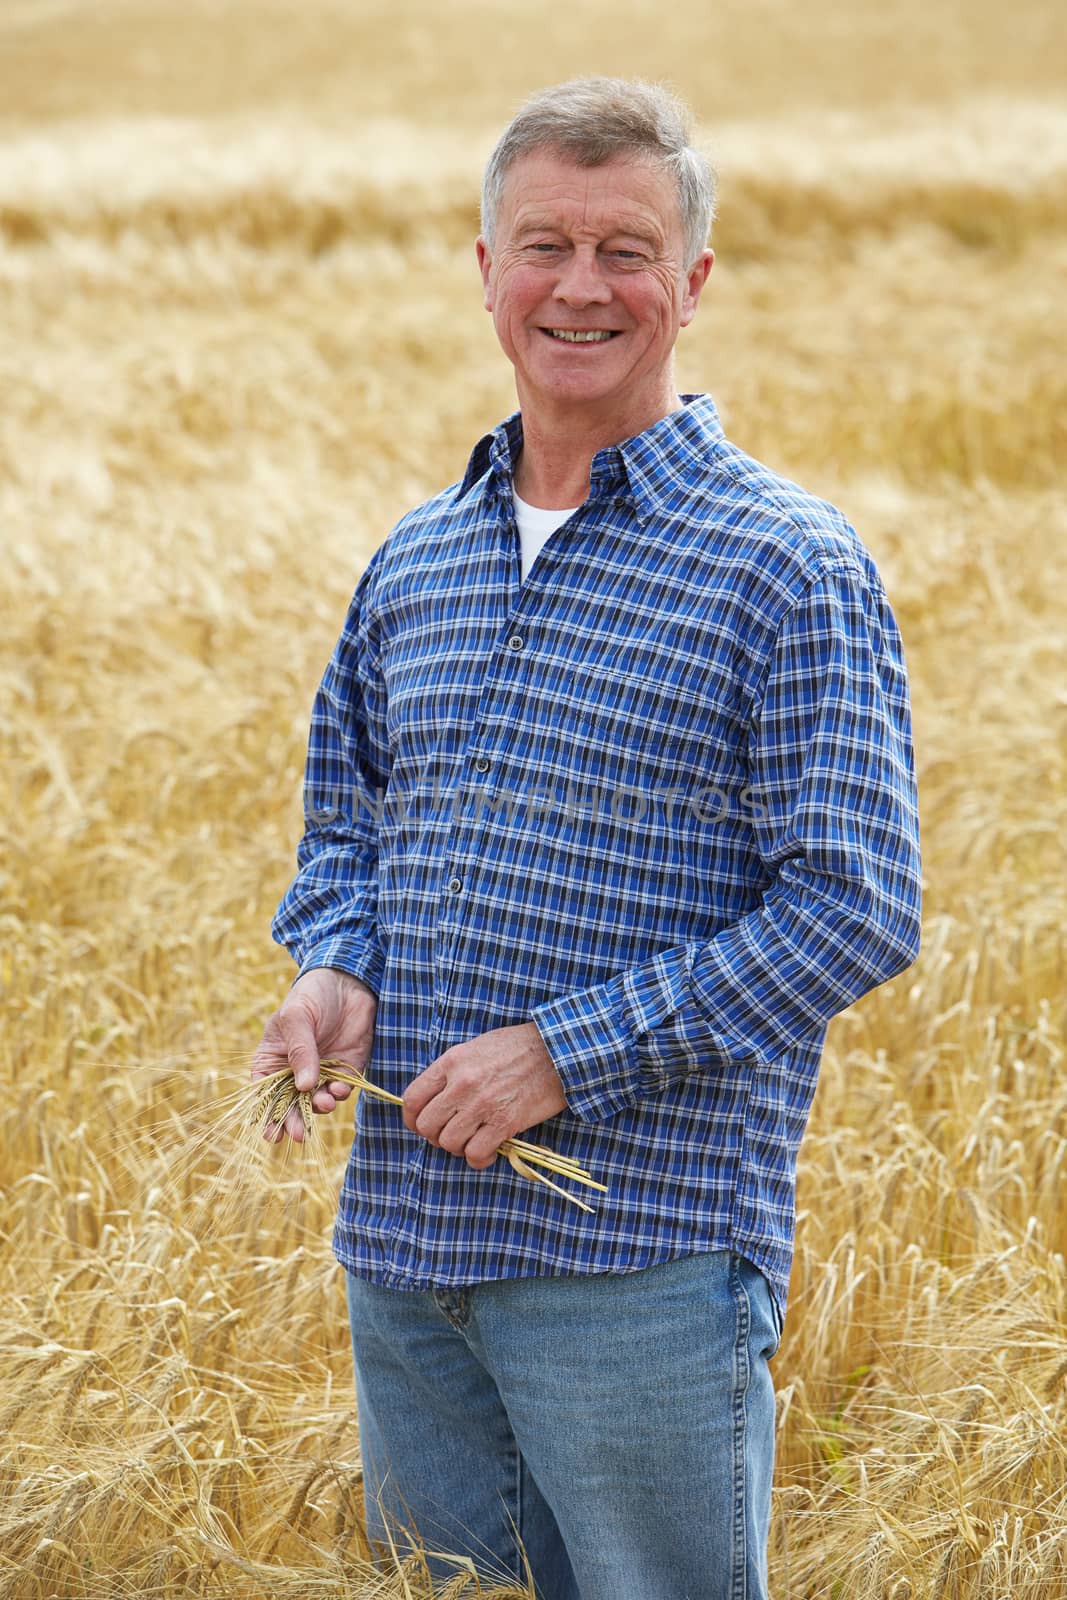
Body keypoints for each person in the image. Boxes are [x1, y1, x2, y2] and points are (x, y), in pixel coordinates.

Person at [253, 77, 922, 1600]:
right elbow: (346, 823)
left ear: (691, 286)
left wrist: (565, 1054)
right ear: (482, 270)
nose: (580, 286)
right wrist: (336, 969)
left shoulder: (783, 565)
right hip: (408, 1250)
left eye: (626, 250)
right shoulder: (419, 560)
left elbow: (857, 903)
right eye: (542, 243)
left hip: (644, 1264)